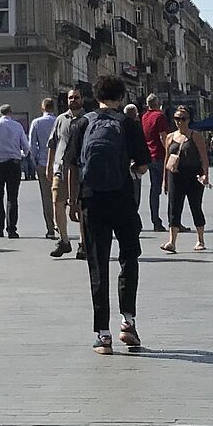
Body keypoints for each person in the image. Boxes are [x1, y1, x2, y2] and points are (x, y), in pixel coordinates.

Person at [67, 74, 150, 354]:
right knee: (129, 257)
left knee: (98, 263)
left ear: (95, 95)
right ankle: (128, 323)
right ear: (122, 97)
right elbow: (141, 165)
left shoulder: (83, 123)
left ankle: (103, 335)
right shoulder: (128, 123)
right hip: (123, 198)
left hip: (91, 199)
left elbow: (72, 165)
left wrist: (72, 201)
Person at [159, 108, 209, 254]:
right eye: (177, 118)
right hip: (175, 175)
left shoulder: (196, 136)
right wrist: (165, 180)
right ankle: (172, 242)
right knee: (174, 207)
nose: (180, 122)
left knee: (195, 206)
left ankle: (200, 239)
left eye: (183, 118)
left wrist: (206, 174)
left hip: (194, 175)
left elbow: (204, 157)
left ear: (189, 120)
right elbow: (166, 159)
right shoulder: (170, 137)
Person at [47, 88, 87, 258]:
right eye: (70, 98)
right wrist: (49, 166)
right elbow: (52, 143)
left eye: (76, 97)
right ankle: (63, 240)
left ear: (82, 99)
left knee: (80, 206)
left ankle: (83, 243)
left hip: (80, 169)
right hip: (61, 168)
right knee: (57, 202)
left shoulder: (87, 120)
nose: (73, 100)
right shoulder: (60, 119)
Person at [0, 104, 30, 239]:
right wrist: (23, 153)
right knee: (12, 197)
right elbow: (26, 145)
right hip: (14, 164)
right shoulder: (17, 126)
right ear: (11, 112)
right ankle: (12, 230)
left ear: (0, 113)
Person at [28, 99, 58, 239]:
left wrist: (34, 162)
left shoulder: (36, 123)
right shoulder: (59, 120)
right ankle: (60, 223)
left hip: (43, 162)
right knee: (59, 197)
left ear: (42, 108)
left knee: (46, 197)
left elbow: (32, 145)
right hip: (59, 163)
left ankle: (50, 228)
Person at [140, 94, 169, 232]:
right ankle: (174, 221)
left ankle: (155, 220)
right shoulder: (159, 116)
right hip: (160, 155)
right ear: (157, 104)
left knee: (154, 190)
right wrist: (170, 152)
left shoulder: (144, 117)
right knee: (172, 188)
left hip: (149, 156)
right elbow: (163, 136)